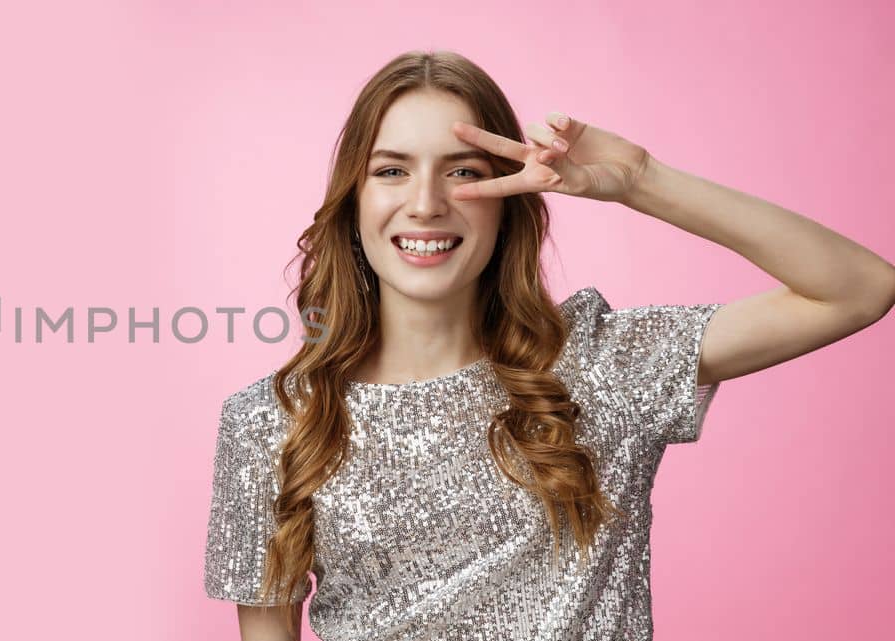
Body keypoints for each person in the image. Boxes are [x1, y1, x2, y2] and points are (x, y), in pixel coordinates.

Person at [201, 49, 895, 641]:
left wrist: (645, 181)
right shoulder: (272, 420)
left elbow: (858, 288)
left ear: (509, 202)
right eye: (391, 170)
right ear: (353, 201)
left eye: (465, 171)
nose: (426, 202)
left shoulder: (601, 364)